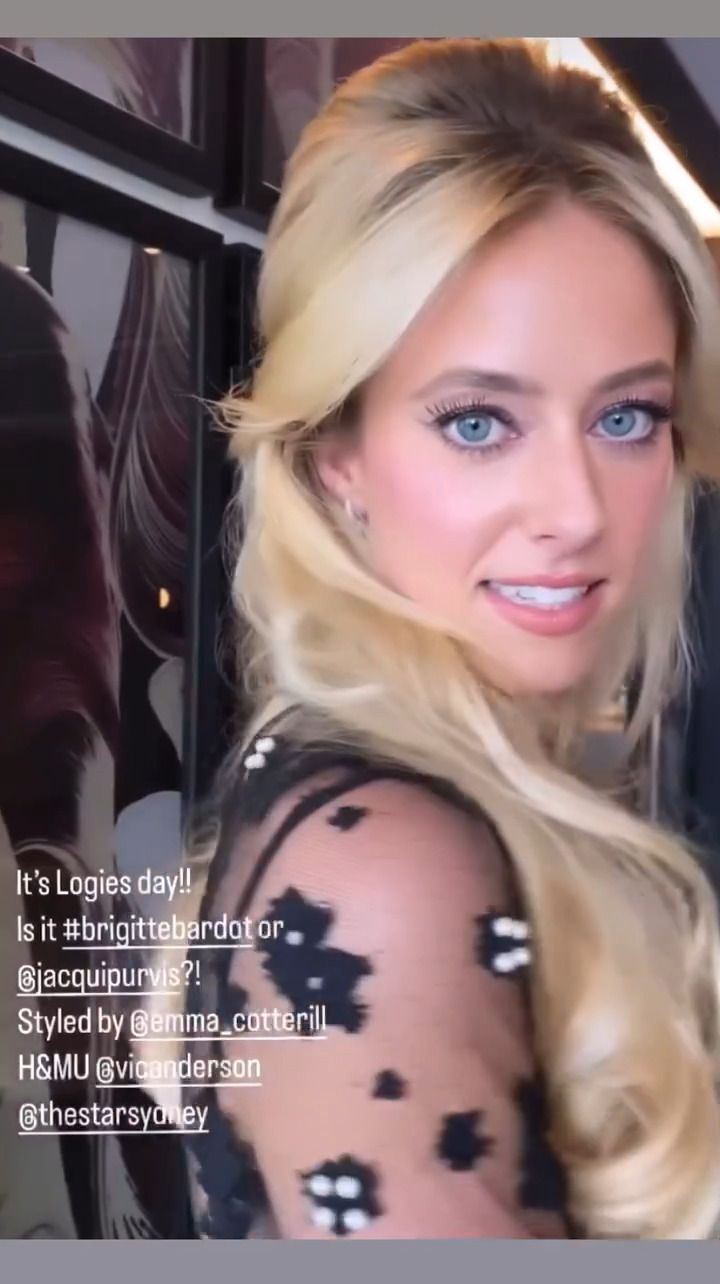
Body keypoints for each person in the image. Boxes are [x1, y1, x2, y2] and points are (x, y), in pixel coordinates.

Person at [177, 38, 720, 1239]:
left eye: (627, 416)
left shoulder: (396, 794)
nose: (577, 511)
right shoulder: (383, 871)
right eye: (479, 422)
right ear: (338, 453)